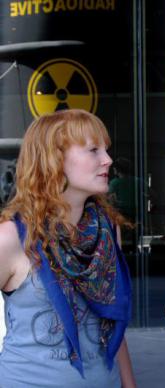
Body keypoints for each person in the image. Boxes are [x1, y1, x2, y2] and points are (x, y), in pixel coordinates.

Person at [0, 109, 135, 387]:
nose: (107, 160)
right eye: (93, 150)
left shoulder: (107, 230)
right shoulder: (12, 237)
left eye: (106, 150)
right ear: (54, 159)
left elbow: (111, 319)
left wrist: (129, 384)